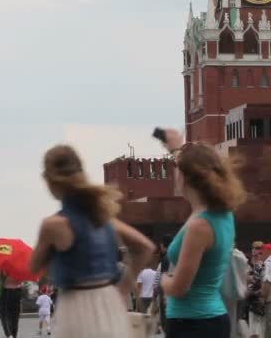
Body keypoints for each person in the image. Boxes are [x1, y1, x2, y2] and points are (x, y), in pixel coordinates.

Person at [30, 145, 155, 338]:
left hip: (76, 306)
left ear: (50, 180)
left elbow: (33, 266)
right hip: (110, 302)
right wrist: (123, 288)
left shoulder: (54, 225)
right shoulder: (102, 218)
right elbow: (145, 247)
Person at [159, 130, 246, 338]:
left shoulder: (200, 226)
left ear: (186, 177)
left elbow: (180, 287)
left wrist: (163, 280)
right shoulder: (223, 214)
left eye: (177, 169)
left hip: (191, 323)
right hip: (210, 318)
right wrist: (176, 148)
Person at [248, 241, 265, 338]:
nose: (254, 250)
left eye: (257, 248)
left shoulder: (262, 264)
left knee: (259, 331)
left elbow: (261, 282)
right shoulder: (253, 264)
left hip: (259, 300)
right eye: (253, 248)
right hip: (251, 299)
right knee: (252, 330)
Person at [0, 273, 21, 338]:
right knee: (15, 316)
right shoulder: (19, 268)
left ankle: (9, 334)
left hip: (7, 291)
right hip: (18, 290)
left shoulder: (4, 267)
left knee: (6, 314)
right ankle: (14, 335)